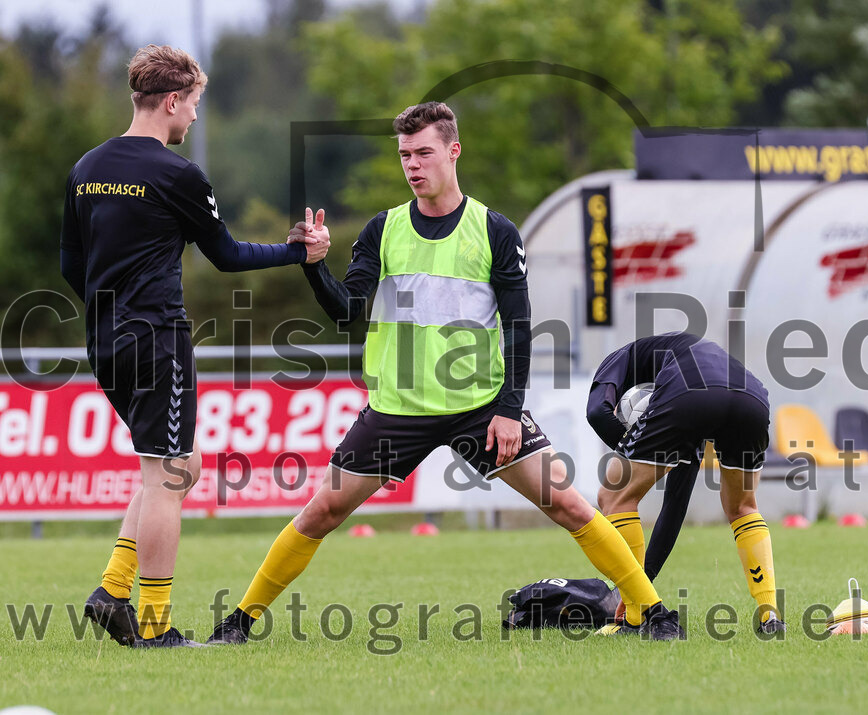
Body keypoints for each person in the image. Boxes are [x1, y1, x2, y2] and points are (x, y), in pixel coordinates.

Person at [207, 101, 683, 644]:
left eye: (424, 152)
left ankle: (654, 614)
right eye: (405, 155)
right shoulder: (382, 229)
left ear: (453, 152)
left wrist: (508, 411)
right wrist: (315, 267)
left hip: (479, 408)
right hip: (397, 409)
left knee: (569, 505)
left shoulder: (495, 231)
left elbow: (518, 327)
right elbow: (347, 312)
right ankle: (239, 623)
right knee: (321, 513)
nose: (412, 165)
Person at [60, 44, 329, 648]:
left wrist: (111, 306)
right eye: (195, 106)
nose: (196, 120)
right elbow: (228, 256)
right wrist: (298, 252)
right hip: (156, 337)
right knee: (168, 475)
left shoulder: (86, 167)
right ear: (173, 100)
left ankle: (112, 590)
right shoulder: (177, 173)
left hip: (104, 340)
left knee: (177, 465)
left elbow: (70, 265)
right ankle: (155, 628)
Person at [586, 332, 786, 634]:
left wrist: (636, 446)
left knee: (614, 496)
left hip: (688, 391)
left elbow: (596, 412)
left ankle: (637, 616)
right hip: (751, 394)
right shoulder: (679, 364)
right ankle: (770, 615)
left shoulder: (622, 358)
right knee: (743, 506)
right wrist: (646, 577)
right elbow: (675, 505)